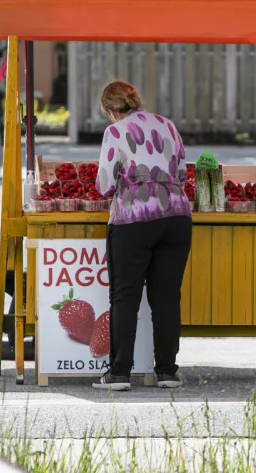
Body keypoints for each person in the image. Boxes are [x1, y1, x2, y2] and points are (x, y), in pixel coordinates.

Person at [92, 81, 192, 391]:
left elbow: (105, 185)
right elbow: (182, 174)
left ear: (111, 110)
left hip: (134, 219)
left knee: (125, 296)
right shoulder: (168, 125)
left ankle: (119, 374)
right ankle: (167, 372)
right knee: (167, 298)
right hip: (176, 216)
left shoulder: (115, 131)